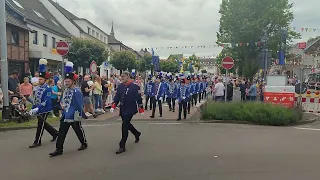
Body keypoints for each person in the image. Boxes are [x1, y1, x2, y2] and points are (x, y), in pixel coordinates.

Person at [49, 62, 87, 157]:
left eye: (68, 81)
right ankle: (59, 149)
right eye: (66, 81)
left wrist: (82, 114)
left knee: (78, 130)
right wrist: (61, 104)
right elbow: (62, 99)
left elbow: (79, 104)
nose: (66, 83)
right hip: (65, 115)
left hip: (74, 115)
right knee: (62, 132)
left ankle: (84, 143)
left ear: (73, 82)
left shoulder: (77, 91)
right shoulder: (65, 90)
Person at [110, 71, 144, 154]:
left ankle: (122, 145)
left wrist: (141, 107)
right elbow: (117, 97)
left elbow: (138, 98)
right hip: (123, 108)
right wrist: (113, 106)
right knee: (127, 124)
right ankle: (136, 133)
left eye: (123, 77)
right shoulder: (120, 86)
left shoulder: (135, 87)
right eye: (121, 77)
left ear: (128, 76)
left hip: (130, 108)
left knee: (124, 125)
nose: (122, 78)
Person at [28, 59, 58, 148]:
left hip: (45, 108)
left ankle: (37, 141)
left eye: (41, 79)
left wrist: (38, 108)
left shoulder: (48, 88)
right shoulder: (38, 87)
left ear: (45, 79)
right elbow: (36, 99)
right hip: (38, 108)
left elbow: (45, 100)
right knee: (43, 123)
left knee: (40, 125)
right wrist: (33, 107)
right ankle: (55, 133)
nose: (39, 80)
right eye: (39, 79)